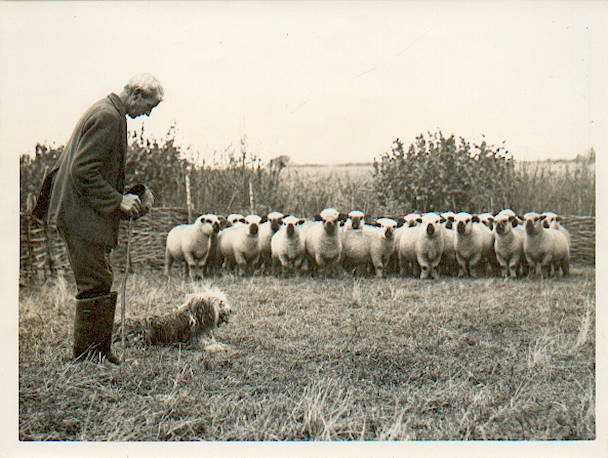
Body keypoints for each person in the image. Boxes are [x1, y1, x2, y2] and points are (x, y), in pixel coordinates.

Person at [36, 73, 164, 364]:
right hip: (80, 215)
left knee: (99, 277)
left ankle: (97, 351)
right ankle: (89, 356)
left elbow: (92, 170)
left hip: (81, 211)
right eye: (149, 106)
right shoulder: (108, 117)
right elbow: (83, 171)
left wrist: (125, 196)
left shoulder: (106, 111)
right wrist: (118, 200)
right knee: (95, 280)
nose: (147, 113)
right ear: (136, 95)